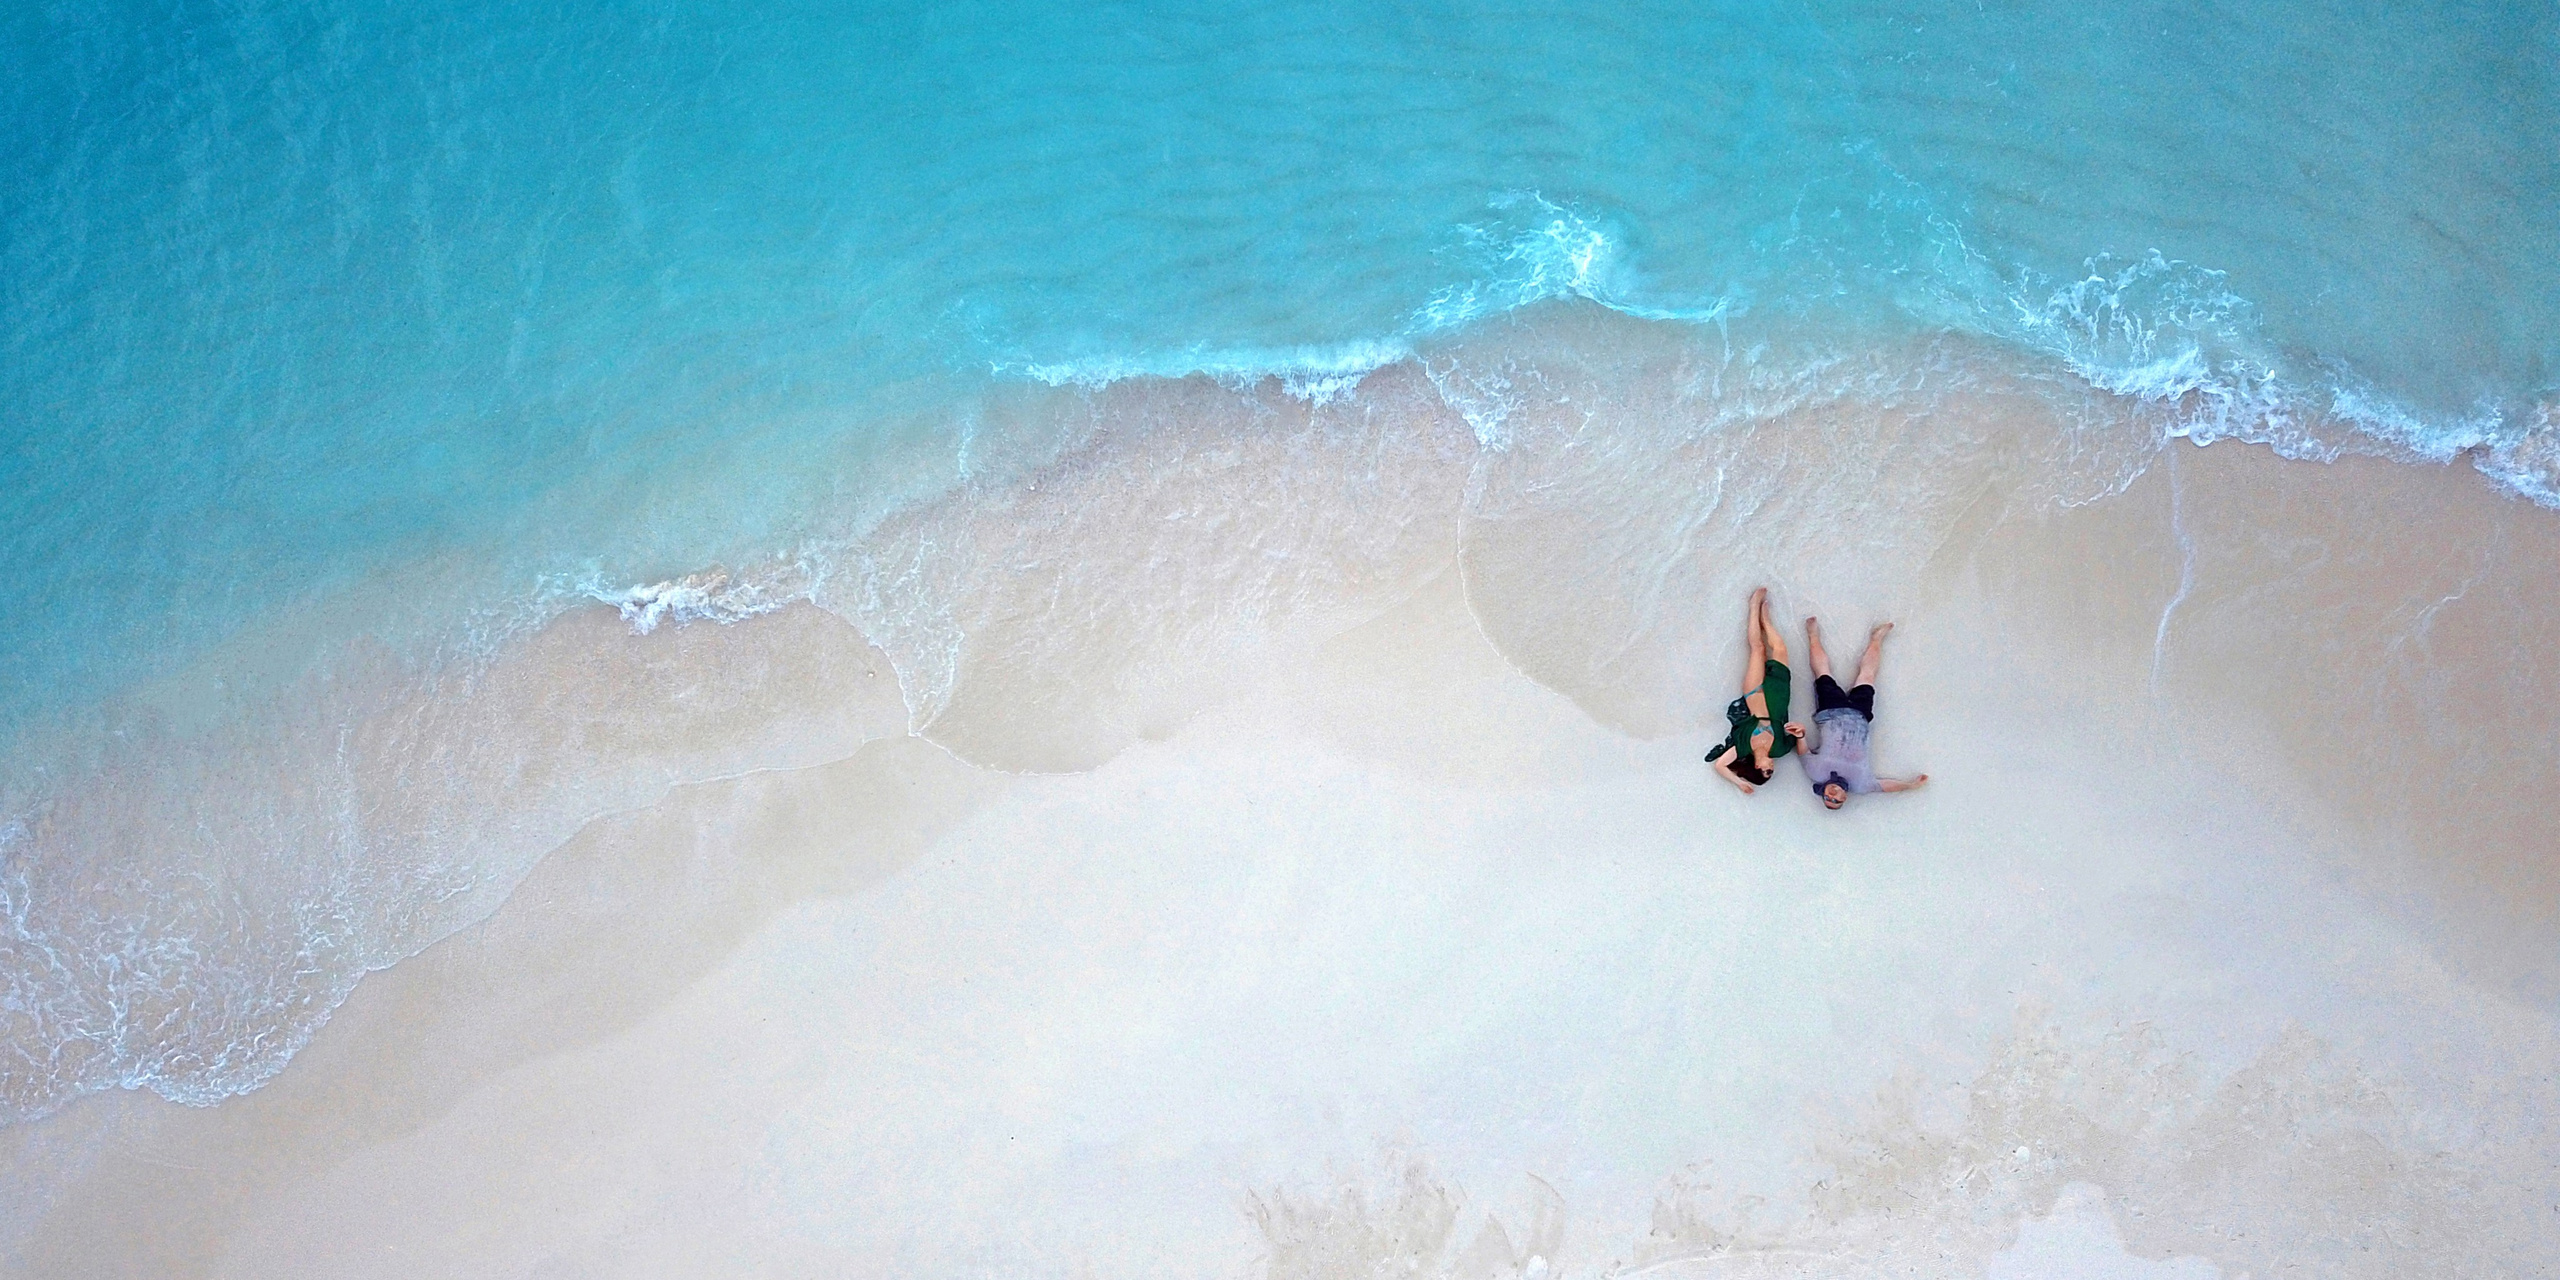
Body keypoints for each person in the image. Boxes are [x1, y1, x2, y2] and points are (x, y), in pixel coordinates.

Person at [1786, 616, 1928, 809]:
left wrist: (1801, 735)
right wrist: (1910, 785)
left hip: (1830, 712)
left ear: (1823, 792)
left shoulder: (1816, 773)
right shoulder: (1861, 784)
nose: (1832, 796)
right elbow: (1886, 787)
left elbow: (1803, 753)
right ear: (1845, 797)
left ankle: (1813, 636)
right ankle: (1877, 639)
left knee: (1823, 673)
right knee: (1868, 675)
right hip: (1860, 716)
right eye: (1837, 801)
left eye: (1828, 799)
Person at [1705, 587, 1794, 794]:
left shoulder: (1743, 747)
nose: (1771, 768)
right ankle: (1766, 620)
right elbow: (1800, 739)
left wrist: (1740, 783)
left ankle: (1754, 607)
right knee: (1780, 648)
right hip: (1780, 694)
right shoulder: (1780, 749)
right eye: (1771, 772)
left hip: (1754, 691)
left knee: (1758, 649)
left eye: (1766, 771)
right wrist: (1800, 732)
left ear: (1756, 766)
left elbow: (1720, 765)